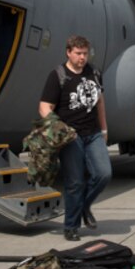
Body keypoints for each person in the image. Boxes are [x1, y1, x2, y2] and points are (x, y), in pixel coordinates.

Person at [38, 35, 111, 242]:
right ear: (68, 52)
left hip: (93, 133)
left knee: (104, 173)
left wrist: (104, 130)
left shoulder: (94, 72)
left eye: (85, 53)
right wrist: (58, 128)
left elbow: (100, 102)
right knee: (75, 182)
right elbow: (44, 107)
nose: (82, 57)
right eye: (78, 53)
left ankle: (85, 206)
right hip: (70, 136)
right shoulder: (58, 75)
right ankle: (71, 226)